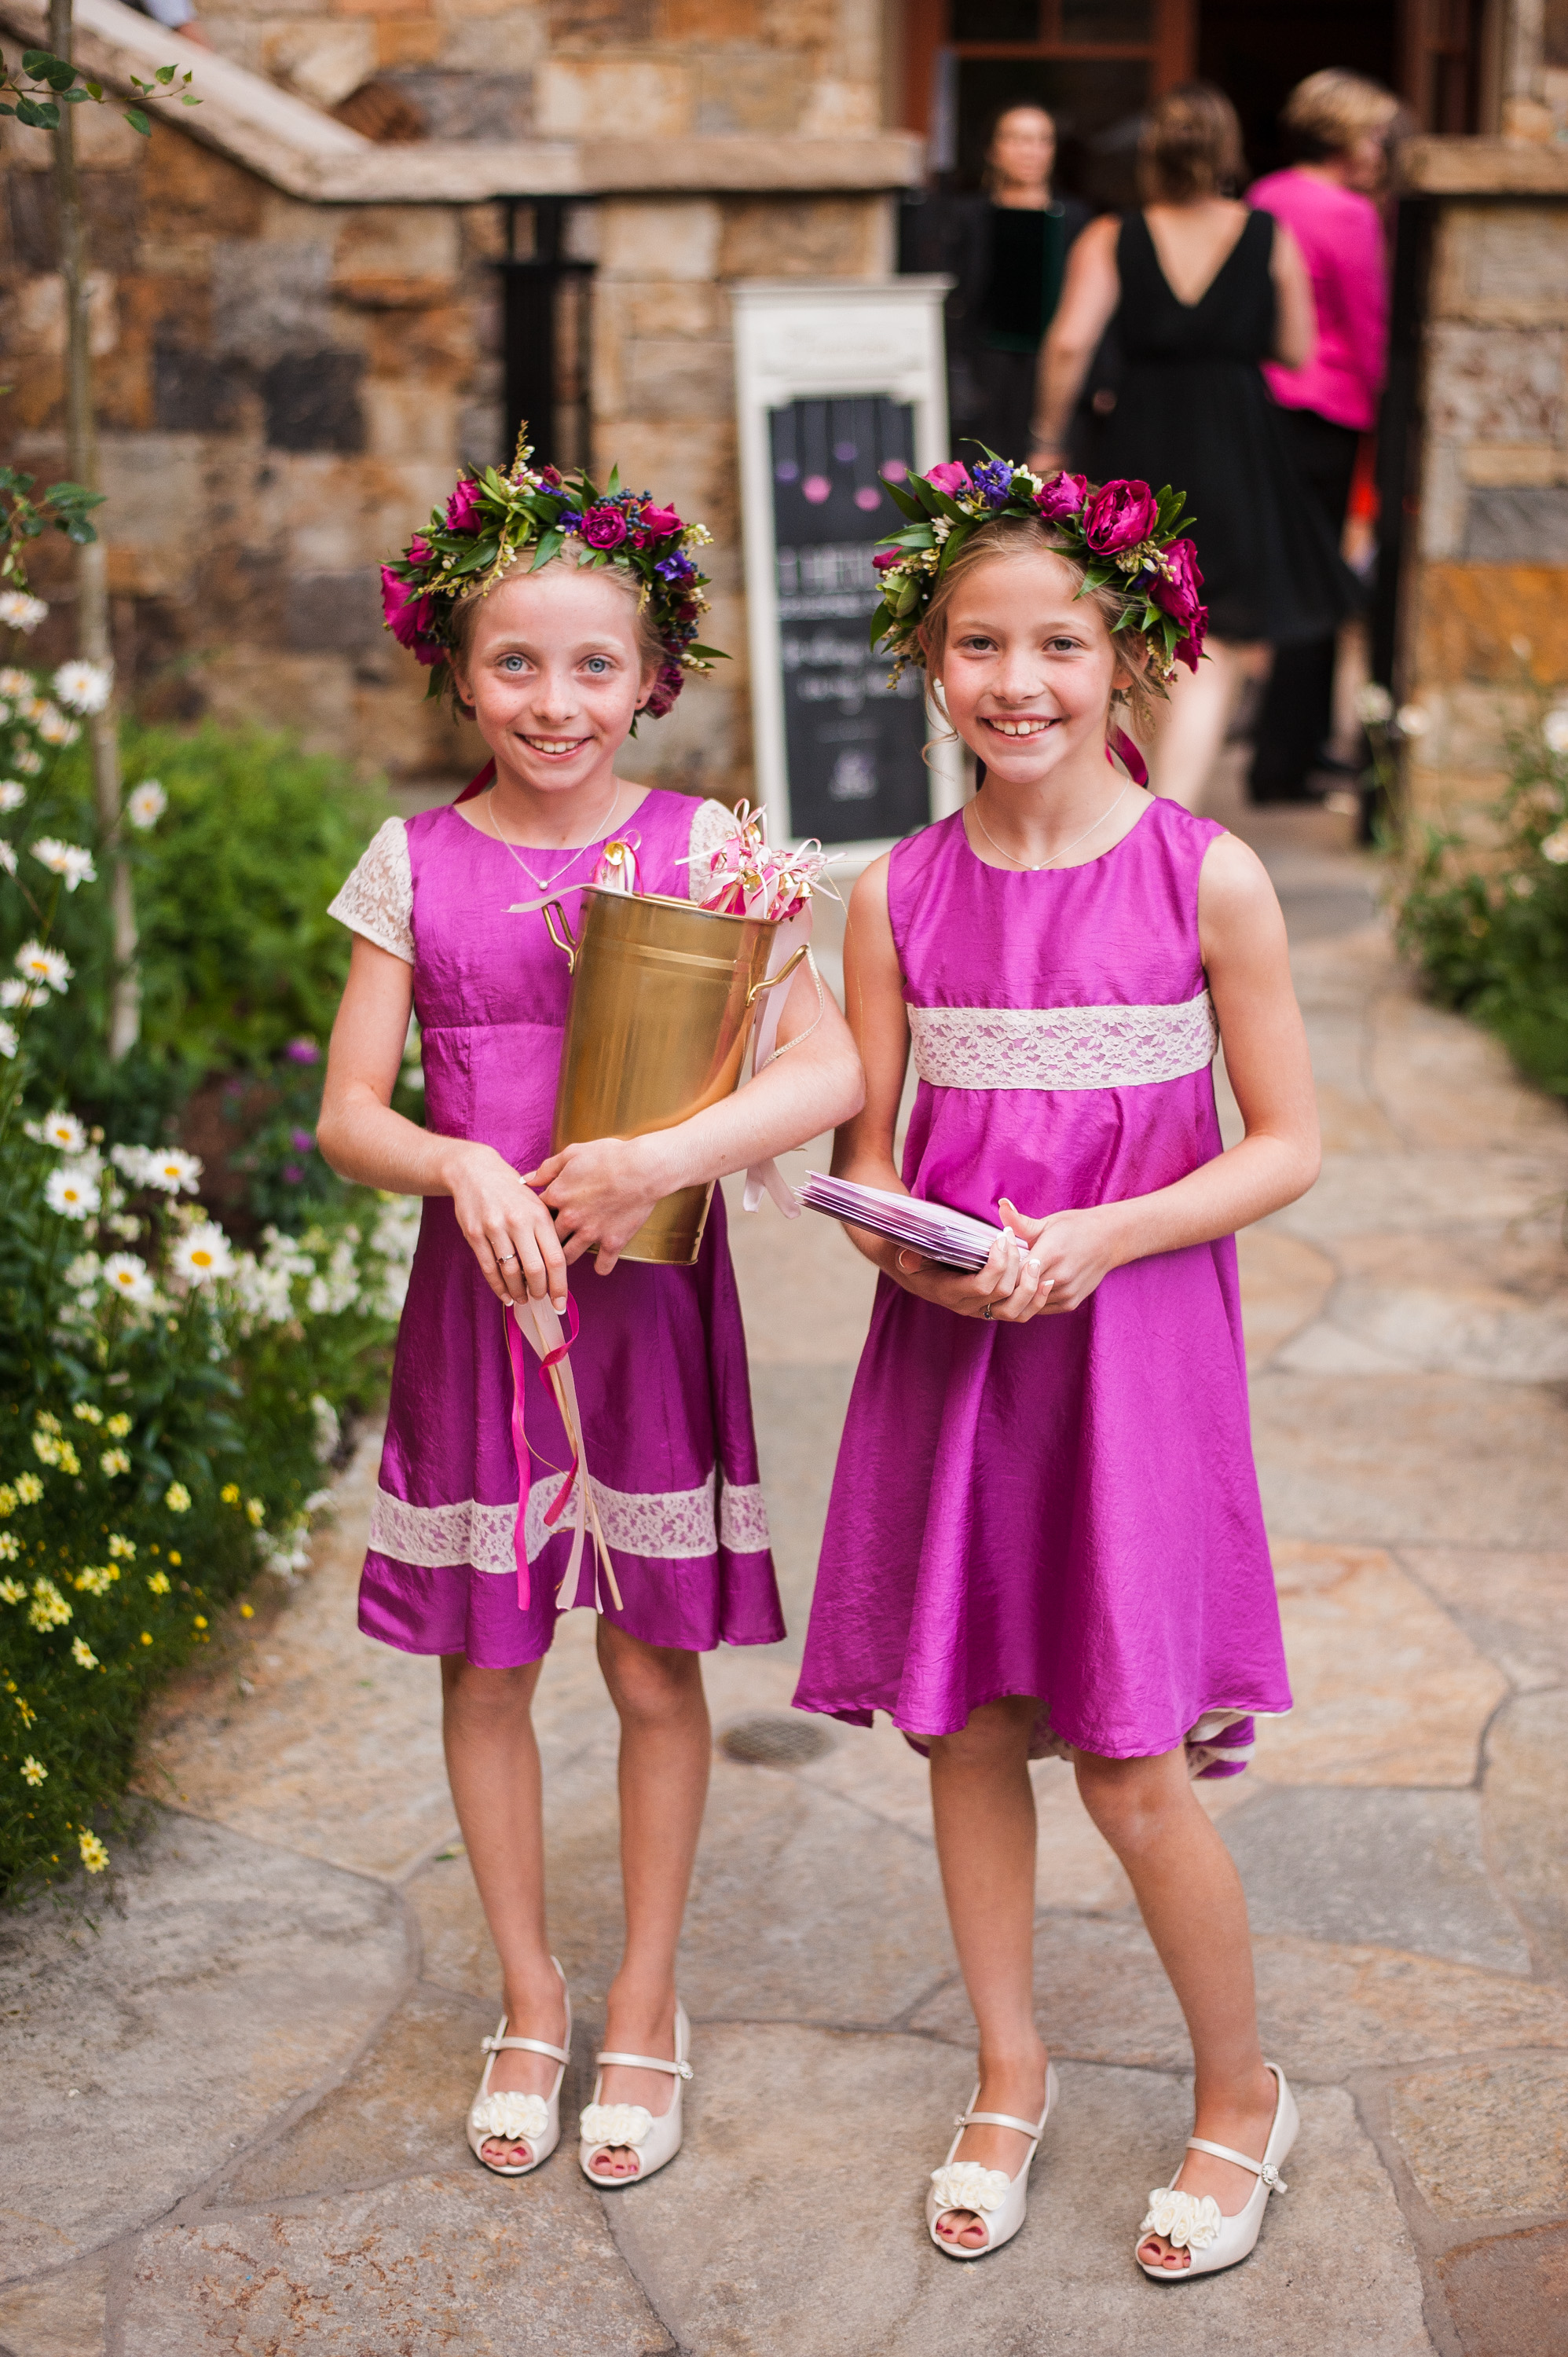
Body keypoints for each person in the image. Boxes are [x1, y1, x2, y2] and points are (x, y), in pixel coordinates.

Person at [796, 460, 1320, 2273]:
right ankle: (1007, 2068)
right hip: (954, 1359)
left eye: (1059, 643)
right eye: (978, 643)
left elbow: (1287, 1144)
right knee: (968, 1726)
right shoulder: (895, 893)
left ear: (1133, 655)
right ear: (931, 666)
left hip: (1138, 1348)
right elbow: (867, 1156)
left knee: (1126, 1756)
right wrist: (896, 1249)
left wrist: (1107, 1234)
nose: (1018, 679)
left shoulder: (1206, 876)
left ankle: (1240, 2088)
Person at [317, 455, 863, 2189]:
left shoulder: (704, 850)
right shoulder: (411, 863)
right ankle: (530, 1992)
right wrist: (457, 1162)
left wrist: (663, 1158)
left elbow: (832, 1062)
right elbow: (348, 1112)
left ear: (656, 680)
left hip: (644, 1312)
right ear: (457, 676)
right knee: (488, 1661)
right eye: (515, 667)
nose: (555, 705)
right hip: (480, 1309)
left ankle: (643, 1995)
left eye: (593, 668)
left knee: (647, 1659)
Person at [1030, 82, 1356, 809]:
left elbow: (1070, 342)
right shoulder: (1268, 235)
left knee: (1137, 633)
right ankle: (1170, 817)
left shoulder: (1114, 235)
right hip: (1238, 447)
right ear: (1226, 153)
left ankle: (1129, 811)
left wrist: (1048, 436)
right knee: (1218, 647)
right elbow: (1297, 348)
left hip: (1142, 448)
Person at [1247, 70, 1398, 801]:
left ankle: (1291, 747)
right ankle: (1286, 760)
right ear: (1342, 135)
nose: (1381, 150)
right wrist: (1389, 409)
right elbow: (1369, 327)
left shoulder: (1265, 196)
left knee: (1281, 576)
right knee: (1317, 585)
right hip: (1329, 409)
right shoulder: (1350, 214)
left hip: (1262, 405)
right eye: (1374, 134)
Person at [924, 104, 1091, 467]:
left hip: (1052, 371)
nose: (1029, 150)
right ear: (993, 149)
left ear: (1053, 150)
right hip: (982, 372)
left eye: (1040, 140)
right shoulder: (964, 216)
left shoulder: (1076, 218)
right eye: (1016, 139)